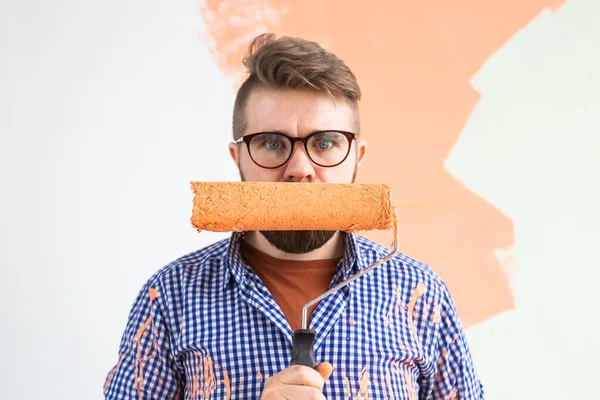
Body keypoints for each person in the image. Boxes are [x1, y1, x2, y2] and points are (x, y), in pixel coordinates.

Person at [104, 33, 484, 399]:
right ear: (238, 159)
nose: (299, 168)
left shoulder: (419, 294)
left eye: (325, 143)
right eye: (271, 143)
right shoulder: (169, 296)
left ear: (356, 158)